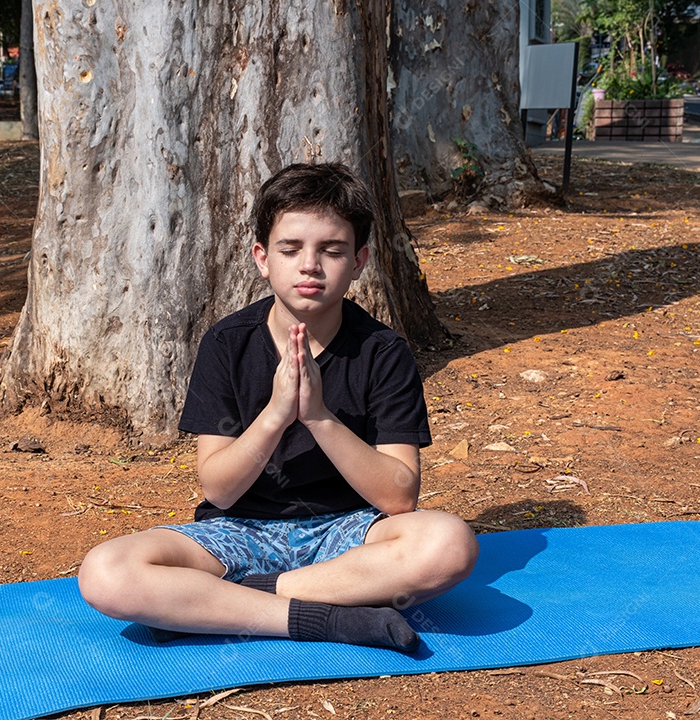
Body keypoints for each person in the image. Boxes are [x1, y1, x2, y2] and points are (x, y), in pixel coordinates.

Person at [78, 162, 479, 652]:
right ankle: (328, 619)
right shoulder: (227, 344)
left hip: (346, 536)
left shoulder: (383, 352)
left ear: (359, 261)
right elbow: (219, 491)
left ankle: (224, 605)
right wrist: (276, 412)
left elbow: (399, 498)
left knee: (448, 543)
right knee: (106, 572)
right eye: (291, 249)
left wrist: (318, 416)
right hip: (238, 532)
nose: (310, 265)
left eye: (332, 250)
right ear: (262, 258)